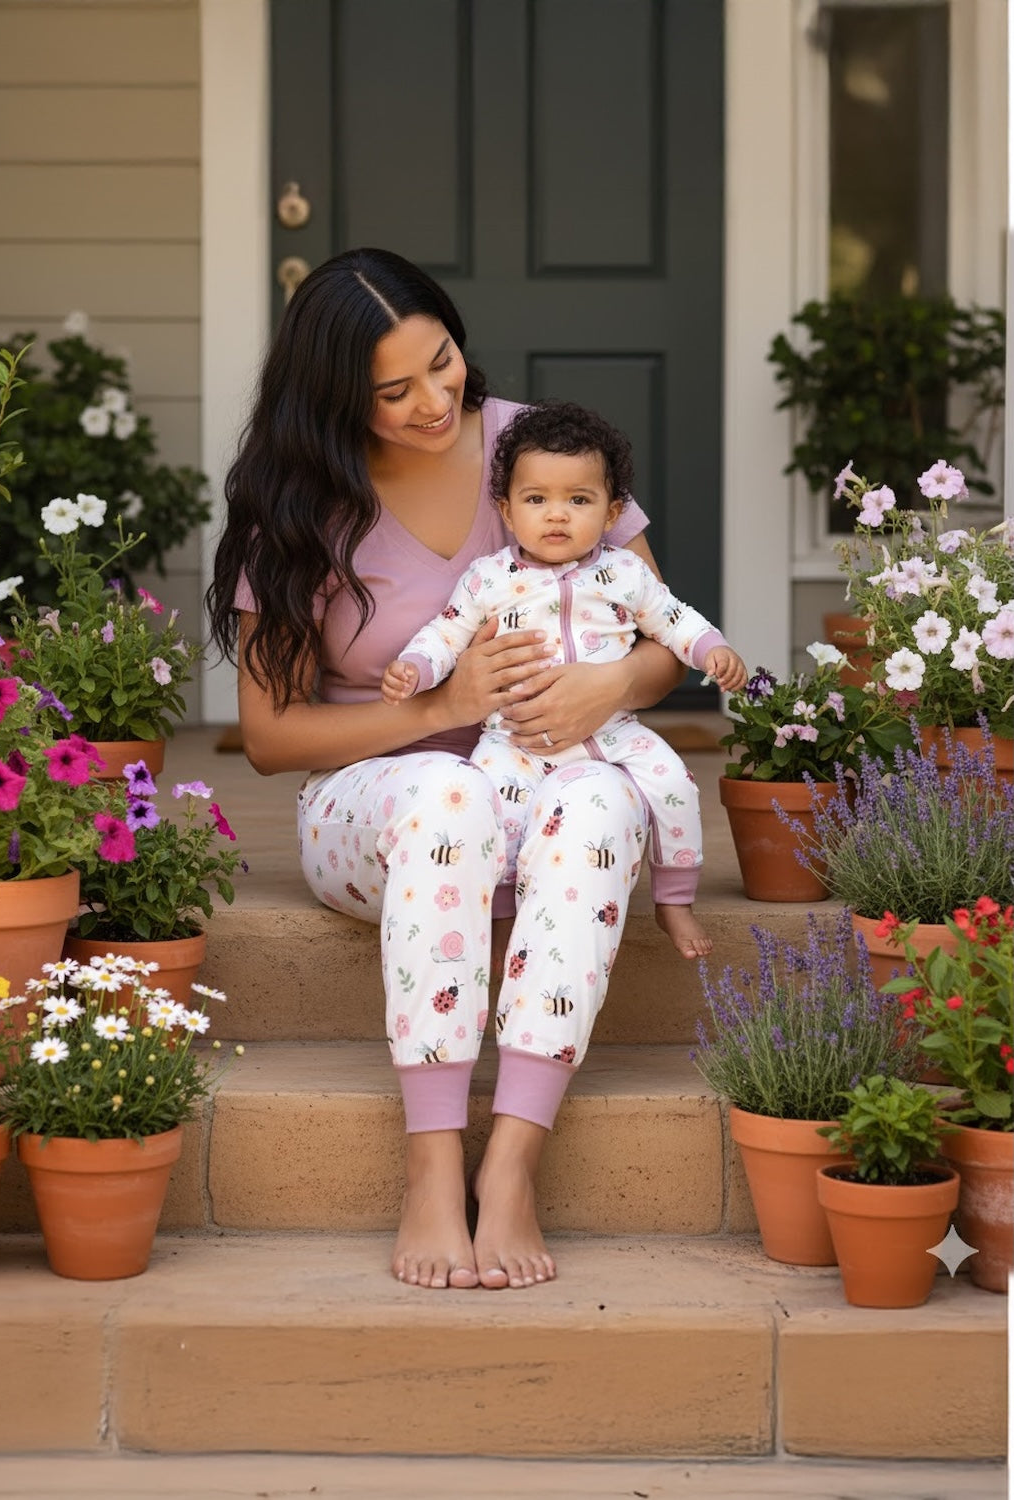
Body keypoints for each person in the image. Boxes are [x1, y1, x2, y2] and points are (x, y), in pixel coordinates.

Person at [207, 247, 687, 1294]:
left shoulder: (537, 446)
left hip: (556, 793)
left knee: (607, 795)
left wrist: (610, 690)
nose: (436, 400)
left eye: (444, 363)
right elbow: (272, 736)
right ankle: (433, 1161)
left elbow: (664, 640)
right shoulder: (298, 502)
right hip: (376, 811)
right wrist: (447, 707)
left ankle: (512, 1161)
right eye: (394, 389)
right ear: (336, 396)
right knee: (450, 789)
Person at [381, 400, 747, 960]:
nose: (557, 515)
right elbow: (446, 633)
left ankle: (675, 899)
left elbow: (673, 619)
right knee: (489, 807)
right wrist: (416, 668)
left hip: (614, 731)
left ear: (610, 511)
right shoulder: (489, 578)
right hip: (516, 739)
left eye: (578, 500)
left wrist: (712, 649)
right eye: (536, 500)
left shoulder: (623, 572)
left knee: (675, 783)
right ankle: (502, 911)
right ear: (506, 511)